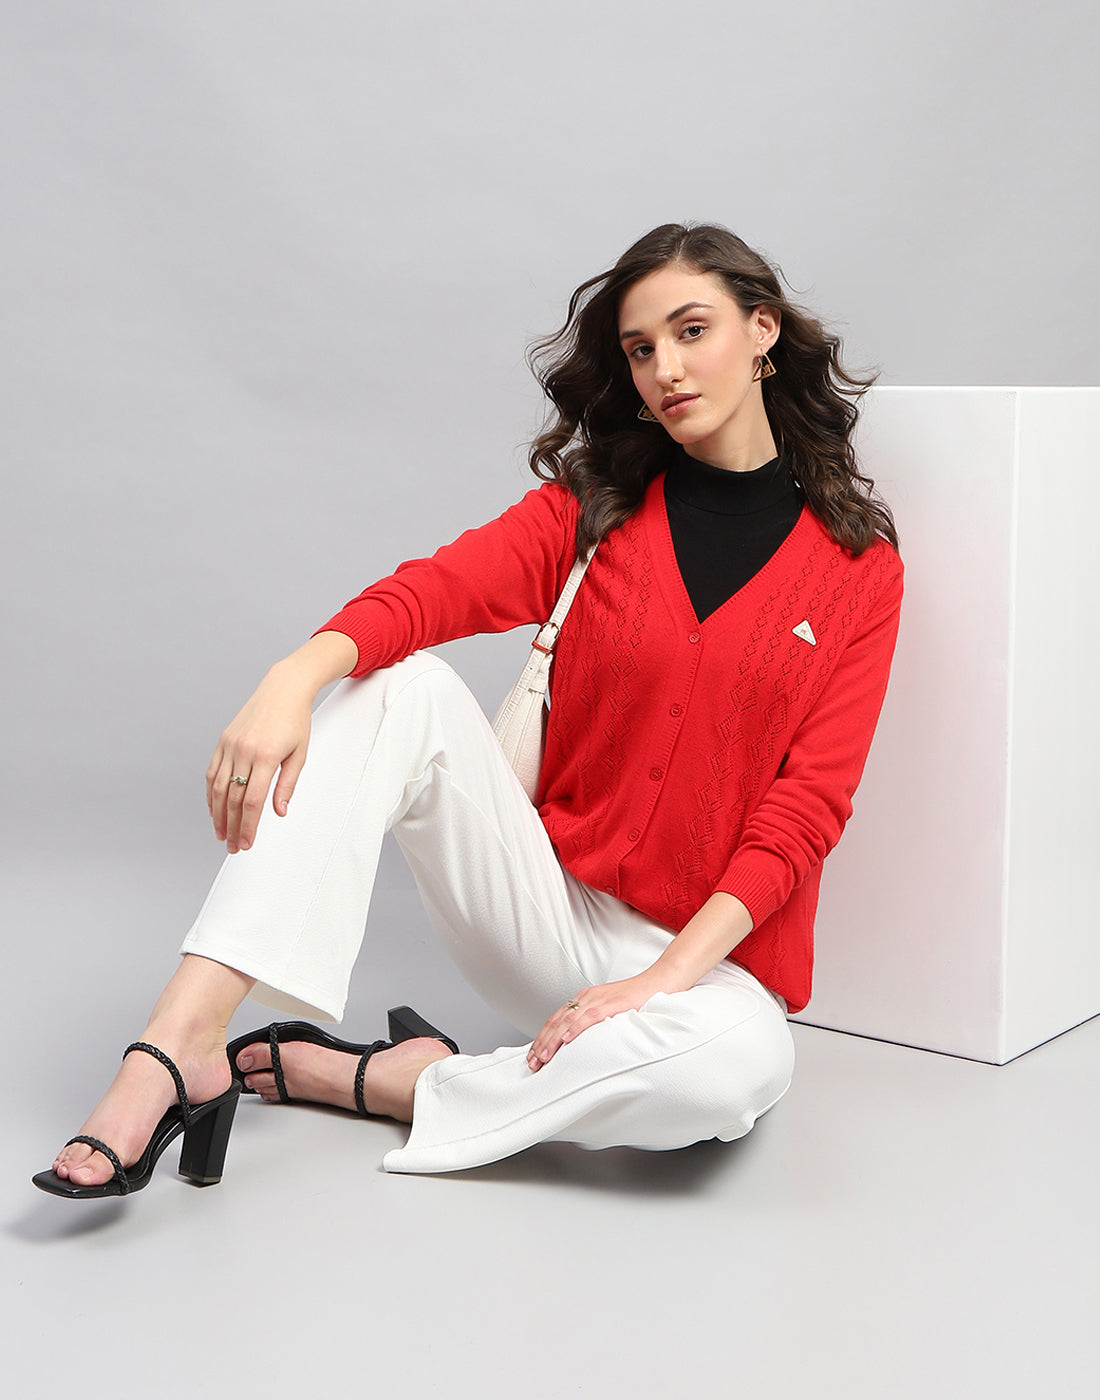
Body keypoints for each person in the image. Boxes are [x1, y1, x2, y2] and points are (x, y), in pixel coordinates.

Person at [35, 221, 903, 1196]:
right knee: (399, 685)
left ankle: (392, 1079)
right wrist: (293, 675)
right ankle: (177, 1042)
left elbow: (807, 809)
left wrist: (657, 982)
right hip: (545, 911)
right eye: (639, 348)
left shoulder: (857, 571)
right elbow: (434, 592)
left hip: (706, 970)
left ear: (761, 329)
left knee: (738, 1071)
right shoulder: (596, 509)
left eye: (691, 330)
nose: (665, 367)